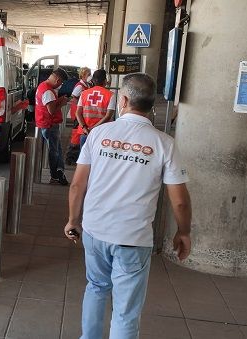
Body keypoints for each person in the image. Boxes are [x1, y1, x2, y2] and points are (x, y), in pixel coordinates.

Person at [64, 73, 192, 339]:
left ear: (122, 100)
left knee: (96, 287)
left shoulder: (98, 134)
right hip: (133, 238)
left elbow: (77, 186)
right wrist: (183, 232)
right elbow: (179, 199)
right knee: (125, 310)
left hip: (95, 231)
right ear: (151, 105)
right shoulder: (164, 144)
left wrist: (73, 220)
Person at [35, 68, 70, 185]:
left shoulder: (42, 86)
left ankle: (59, 170)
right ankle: (55, 174)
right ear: (58, 80)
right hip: (49, 124)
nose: (61, 85)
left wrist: (59, 100)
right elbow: (51, 110)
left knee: (57, 149)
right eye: (61, 83)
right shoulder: (48, 91)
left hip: (46, 123)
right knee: (54, 151)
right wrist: (62, 103)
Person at [75, 69, 114, 149]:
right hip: (101, 133)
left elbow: (78, 113)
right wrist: (93, 128)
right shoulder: (110, 95)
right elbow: (108, 116)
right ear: (105, 80)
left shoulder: (84, 93)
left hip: (85, 132)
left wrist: (85, 128)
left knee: (83, 159)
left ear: (93, 80)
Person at [67, 67, 93, 165]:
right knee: (76, 135)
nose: (90, 76)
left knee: (78, 134)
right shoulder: (80, 86)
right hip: (78, 114)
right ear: (83, 76)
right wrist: (80, 106)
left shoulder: (87, 85)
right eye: (88, 74)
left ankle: (76, 156)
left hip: (81, 113)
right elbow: (74, 98)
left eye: (90, 73)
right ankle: (71, 157)